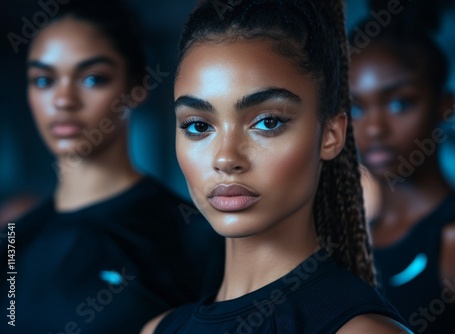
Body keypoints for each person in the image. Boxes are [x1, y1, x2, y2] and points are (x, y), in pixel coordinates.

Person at [142, 0, 411, 333]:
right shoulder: (159, 330)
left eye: (267, 122)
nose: (225, 158)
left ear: (331, 135)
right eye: (198, 126)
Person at [0, 1, 224, 333]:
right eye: (44, 80)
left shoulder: (193, 237)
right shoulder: (15, 239)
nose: (63, 100)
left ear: (137, 88)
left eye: (92, 78)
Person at [348, 4, 455, 333]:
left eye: (399, 103)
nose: (375, 129)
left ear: (445, 106)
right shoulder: (345, 241)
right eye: (356, 108)